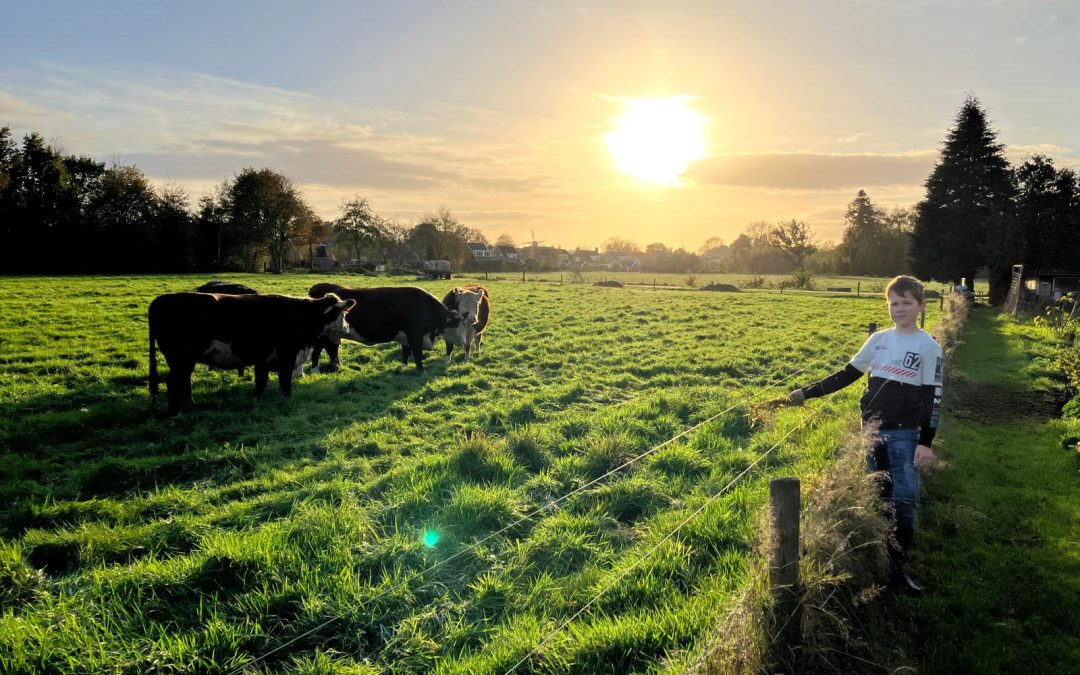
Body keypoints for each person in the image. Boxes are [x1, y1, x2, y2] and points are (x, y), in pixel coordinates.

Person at [786, 275, 943, 595]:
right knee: (880, 498)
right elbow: (847, 375)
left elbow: (932, 398)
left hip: (905, 436)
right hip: (871, 432)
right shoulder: (878, 341)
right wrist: (808, 393)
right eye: (893, 303)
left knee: (905, 502)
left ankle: (899, 575)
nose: (899, 309)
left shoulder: (929, 347)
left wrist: (926, 443)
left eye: (906, 303)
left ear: (920, 306)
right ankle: (877, 560)